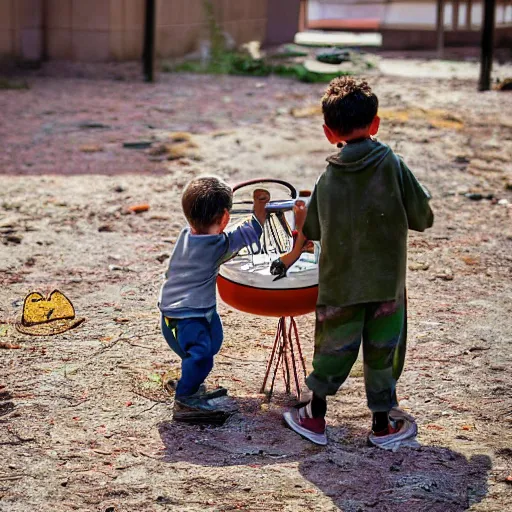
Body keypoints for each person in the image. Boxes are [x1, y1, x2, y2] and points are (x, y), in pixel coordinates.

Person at [272, 77, 434, 448]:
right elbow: (423, 217)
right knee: (382, 352)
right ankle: (381, 425)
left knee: (332, 350)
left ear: (329, 133)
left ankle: (314, 417)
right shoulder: (394, 165)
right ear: (376, 123)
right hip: (385, 284)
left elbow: (310, 228)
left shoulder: (327, 178)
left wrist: (301, 218)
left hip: (339, 285)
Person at [159, 176, 269, 423]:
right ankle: (185, 399)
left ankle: (190, 380)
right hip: (186, 315)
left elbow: (223, 238)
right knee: (202, 355)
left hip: (183, 309)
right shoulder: (215, 246)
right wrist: (259, 211)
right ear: (225, 218)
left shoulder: (187, 234)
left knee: (213, 342)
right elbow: (245, 234)